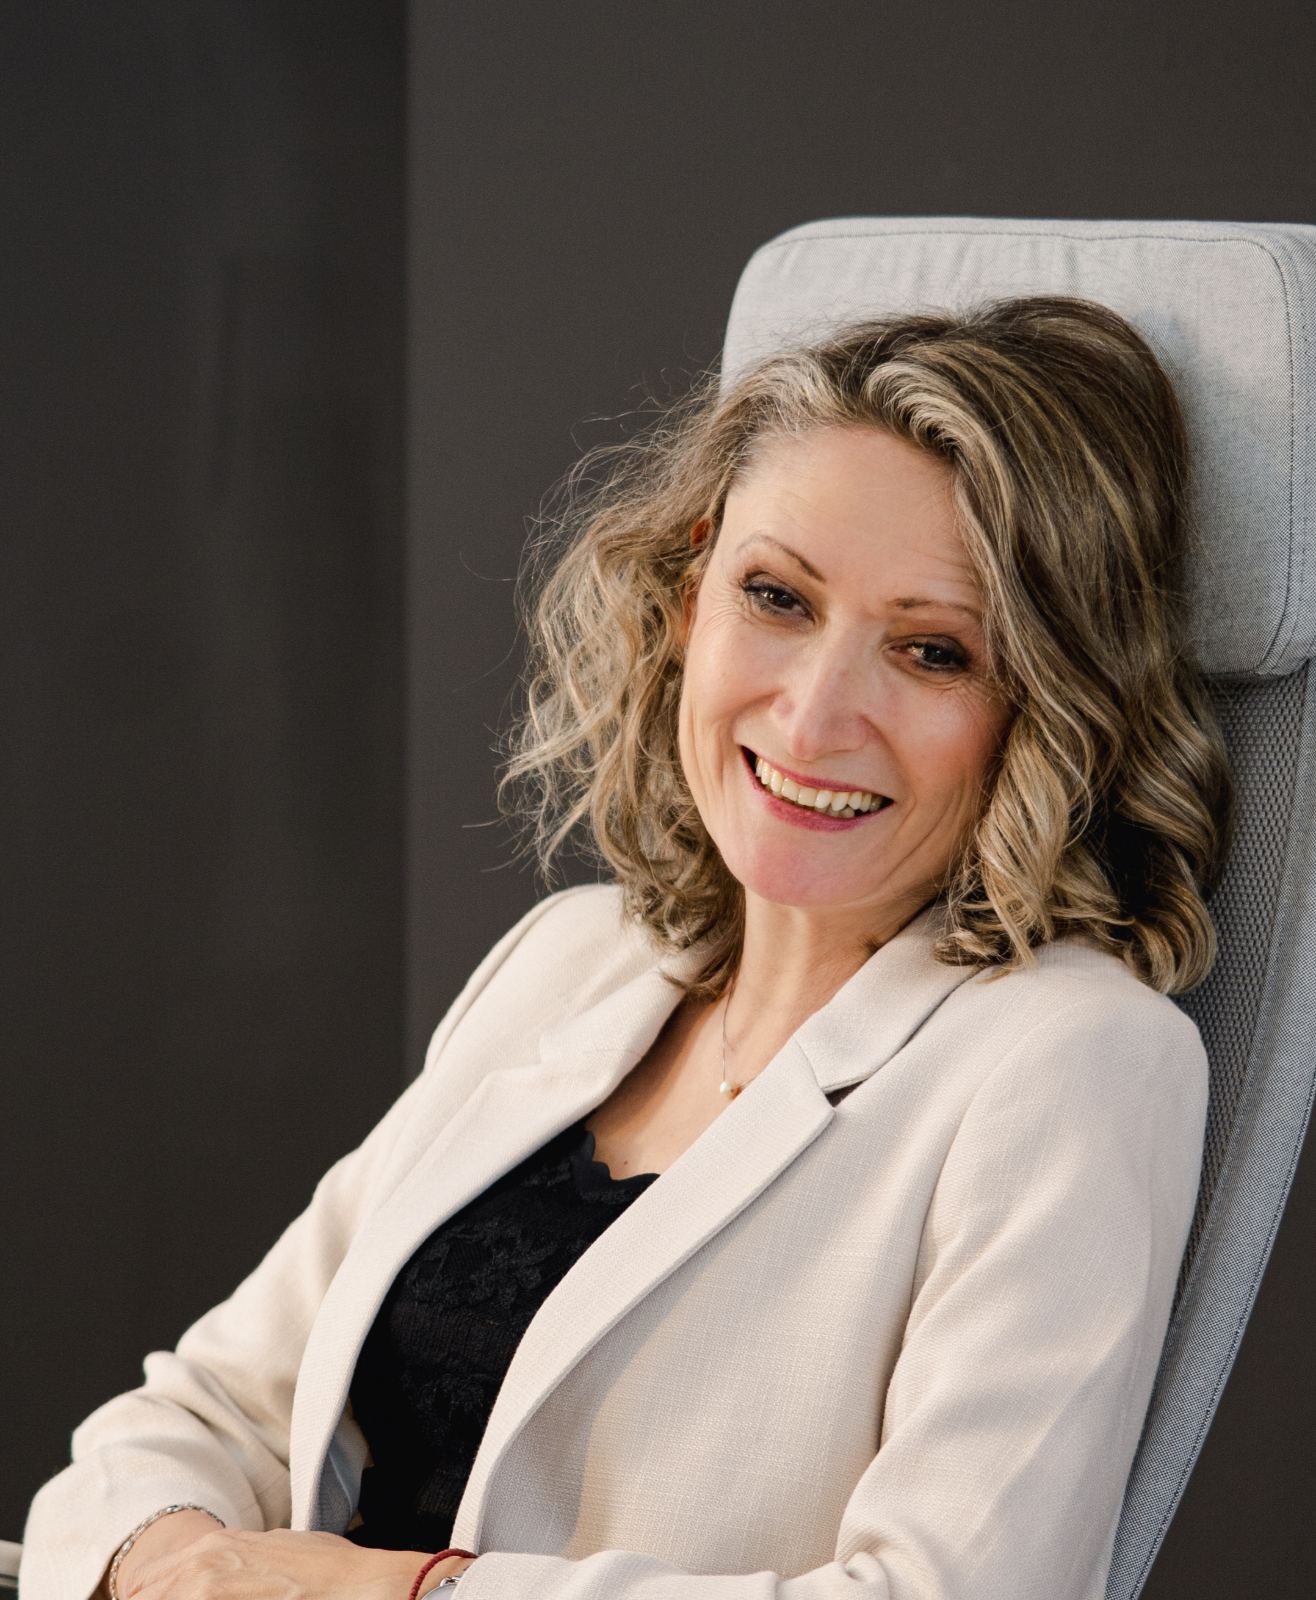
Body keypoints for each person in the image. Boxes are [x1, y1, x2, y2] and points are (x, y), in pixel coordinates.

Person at [21, 295, 1234, 1600]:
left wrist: (387, 1592)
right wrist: (181, 1565)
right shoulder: (569, 958)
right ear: (687, 596)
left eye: (932, 651)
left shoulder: (1074, 1062)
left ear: (1046, 706)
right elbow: (200, 1414)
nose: (814, 716)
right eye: (776, 597)